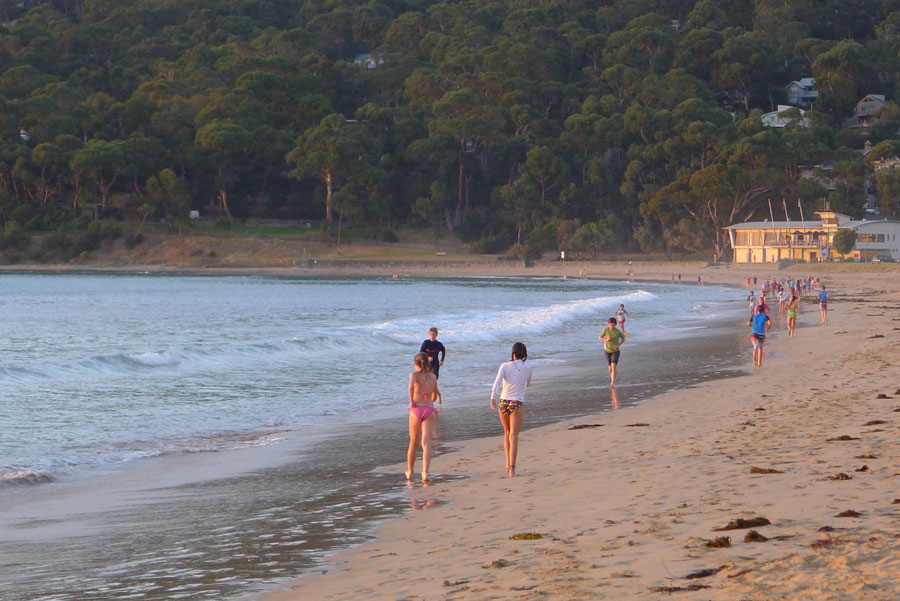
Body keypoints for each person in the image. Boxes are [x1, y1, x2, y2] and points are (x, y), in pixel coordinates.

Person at [490, 342, 532, 477]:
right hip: (517, 402)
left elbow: (496, 383)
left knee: (506, 433)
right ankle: (512, 469)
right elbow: (528, 383)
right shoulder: (528, 367)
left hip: (503, 401)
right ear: (524, 354)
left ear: (513, 353)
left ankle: (507, 463)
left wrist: (492, 398)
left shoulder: (505, 366)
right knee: (514, 436)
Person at [406, 352, 441, 484]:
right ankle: (425, 472)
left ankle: (410, 471)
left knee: (414, 443)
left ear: (416, 364)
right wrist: (430, 402)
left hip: (416, 409)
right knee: (426, 443)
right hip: (429, 409)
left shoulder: (414, 375)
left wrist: (411, 400)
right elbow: (435, 395)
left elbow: (411, 385)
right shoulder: (432, 377)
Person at [599, 317, 625, 386]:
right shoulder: (605, 330)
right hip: (607, 350)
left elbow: (623, 339)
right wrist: (606, 340)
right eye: (610, 325)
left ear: (615, 325)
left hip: (615, 351)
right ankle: (613, 378)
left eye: (613, 325)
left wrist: (618, 345)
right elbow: (600, 338)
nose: (611, 326)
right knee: (610, 367)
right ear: (608, 324)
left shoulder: (618, 331)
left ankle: (612, 382)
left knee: (613, 366)